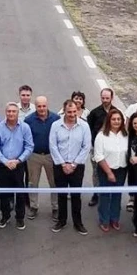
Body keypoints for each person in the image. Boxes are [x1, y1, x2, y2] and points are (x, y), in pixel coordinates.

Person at [49, 100, 92, 235]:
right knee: (61, 195)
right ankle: (61, 221)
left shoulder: (84, 126)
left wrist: (73, 164)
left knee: (76, 196)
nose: (72, 114)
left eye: (74, 112)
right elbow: (53, 146)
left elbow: (86, 147)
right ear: (64, 111)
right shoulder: (56, 125)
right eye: (69, 112)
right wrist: (63, 164)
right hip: (60, 166)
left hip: (77, 167)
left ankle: (78, 222)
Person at [0, 102, 34, 230]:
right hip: (3, 165)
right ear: (6, 112)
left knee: (20, 193)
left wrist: (18, 160)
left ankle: (20, 218)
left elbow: (29, 146)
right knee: (4, 193)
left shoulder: (25, 127)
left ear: (17, 113)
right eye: (9, 111)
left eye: (13, 111)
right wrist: (5, 161)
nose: (11, 113)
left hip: (18, 165)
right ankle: (5, 216)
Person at [93, 108, 129, 232]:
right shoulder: (101, 136)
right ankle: (104, 219)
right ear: (109, 120)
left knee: (117, 195)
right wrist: (109, 172)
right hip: (105, 170)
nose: (116, 121)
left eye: (119, 119)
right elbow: (98, 156)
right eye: (114, 119)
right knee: (105, 196)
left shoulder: (126, 135)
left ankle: (115, 218)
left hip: (121, 170)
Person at [25, 96, 60, 221]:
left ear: (47, 105)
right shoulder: (29, 120)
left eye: (44, 106)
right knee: (33, 183)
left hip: (51, 156)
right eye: (39, 106)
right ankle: (33, 206)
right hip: (34, 156)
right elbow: (26, 139)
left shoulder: (56, 119)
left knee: (54, 182)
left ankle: (55, 207)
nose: (41, 108)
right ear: (35, 106)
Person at [87, 88, 117, 208]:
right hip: (96, 149)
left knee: (111, 171)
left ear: (112, 98)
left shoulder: (116, 112)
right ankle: (96, 194)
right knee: (96, 173)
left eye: (107, 98)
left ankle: (109, 194)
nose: (105, 100)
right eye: (103, 98)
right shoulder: (94, 113)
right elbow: (89, 130)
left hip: (112, 150)